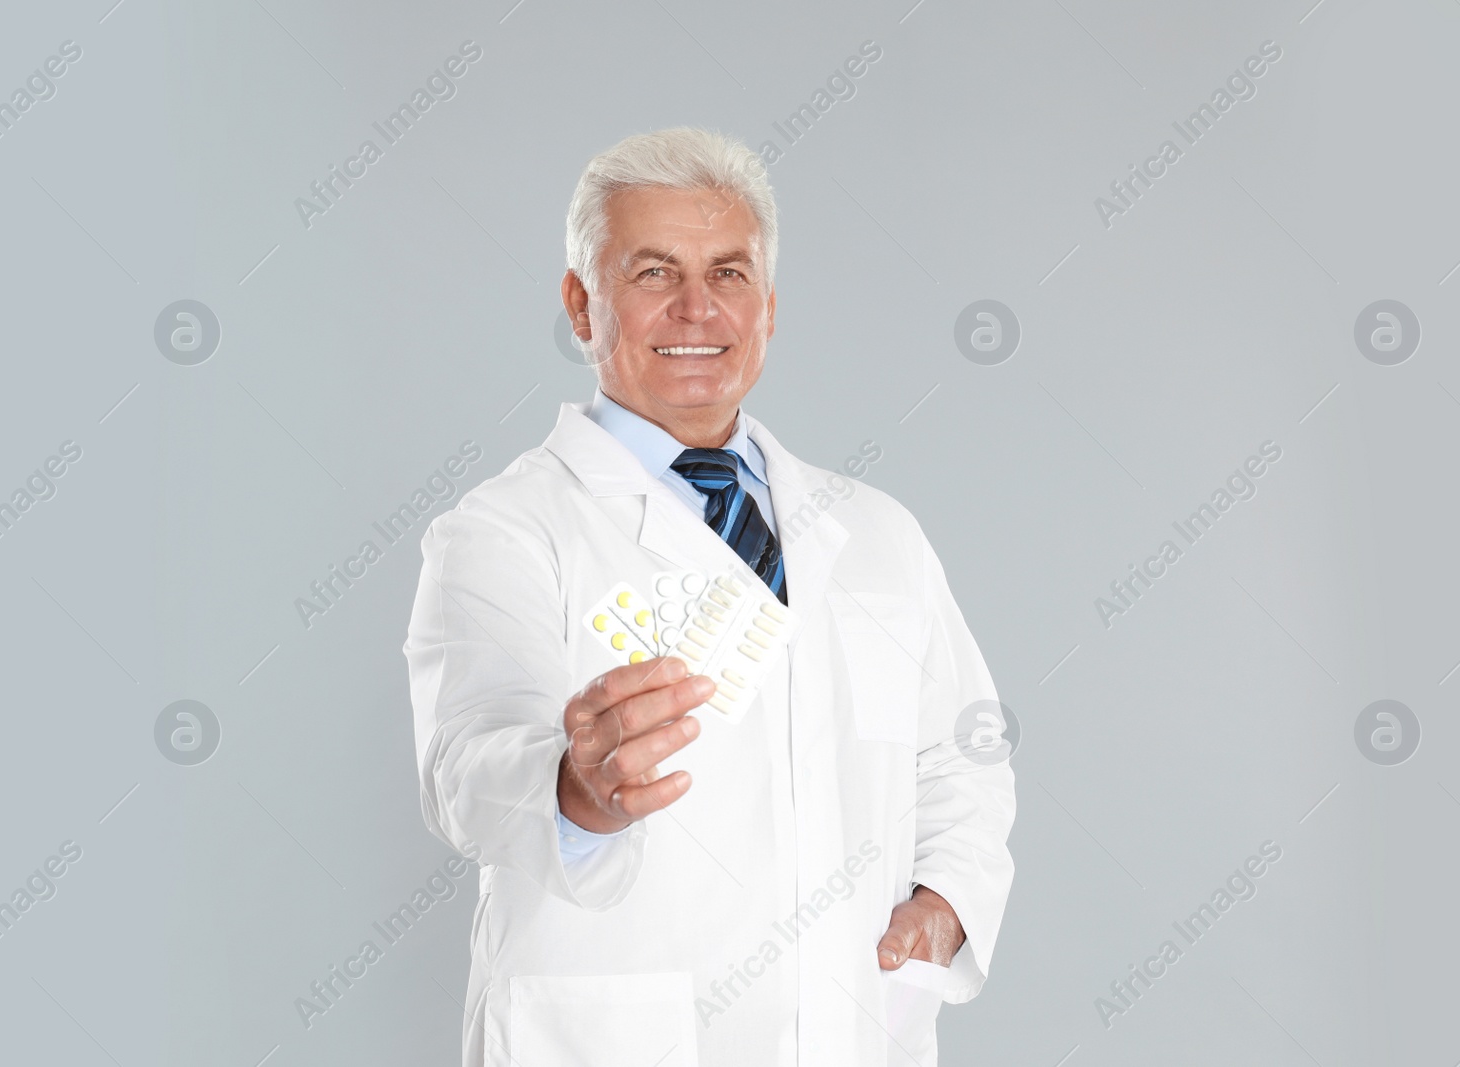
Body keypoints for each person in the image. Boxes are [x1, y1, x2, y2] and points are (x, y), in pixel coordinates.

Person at [404, 127, 1015, 1066]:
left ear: (767, 306)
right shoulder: (505, 530)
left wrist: (946, 904)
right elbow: (465, 767)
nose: (698, 307)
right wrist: (574, 789)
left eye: (729, 273)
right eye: (653, 272)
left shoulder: (877, 532)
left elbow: (963, 752)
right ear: (581, 304)